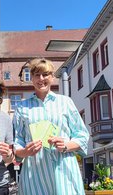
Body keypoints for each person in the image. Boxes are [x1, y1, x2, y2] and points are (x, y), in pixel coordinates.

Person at [13, 58, 89, 194]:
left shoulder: (65, 102)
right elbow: (17, 140)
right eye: (37, 75)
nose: (41, 79)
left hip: (64, 169)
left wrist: (66, 145)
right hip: (34, 172)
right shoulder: (22, 107)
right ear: (32, 78)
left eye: (45, 74)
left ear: (52, 77)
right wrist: (25, 151)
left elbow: (82, 135)